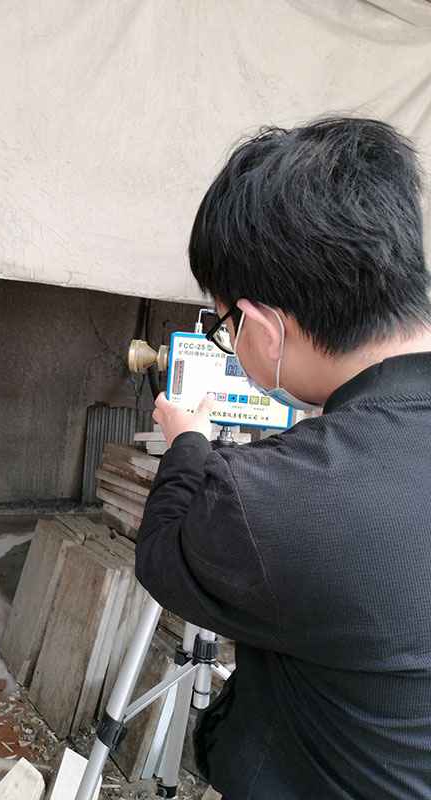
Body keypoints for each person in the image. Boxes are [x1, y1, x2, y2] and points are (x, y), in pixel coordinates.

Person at [134, 117, 431, 799]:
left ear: (266, 329)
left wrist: (188, 444)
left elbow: (163, 555)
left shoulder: (266, 499)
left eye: (225, 326)